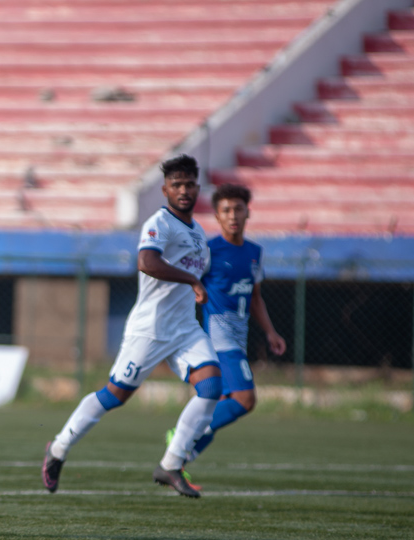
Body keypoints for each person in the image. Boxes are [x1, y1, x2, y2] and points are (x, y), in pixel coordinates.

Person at [41, 154, 222, 498]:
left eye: (189, 184)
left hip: (185, 329)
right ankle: (59, 449)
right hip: (150, 330)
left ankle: (170, 464)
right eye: (177, 185)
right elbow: (146, 261)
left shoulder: (198, 232)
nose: (184, 190)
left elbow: (201, 276)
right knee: (115, 396)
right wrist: (191, 281)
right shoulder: (159, 223)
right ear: (165, 189)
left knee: (212, 387)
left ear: (198, 187)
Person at [165, 184, 286, 468]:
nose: (233, 215)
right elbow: (182, 285)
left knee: (215, 405)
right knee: (244, 399)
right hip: (218, 341)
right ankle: (182, 438)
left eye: (238, 209)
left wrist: (270, 331)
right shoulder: (208, 252)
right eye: (226, 210)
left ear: (248, 213)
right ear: (217, 217)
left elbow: (255, 298)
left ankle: (180, 458)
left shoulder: (255, 253)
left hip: (237, 340)